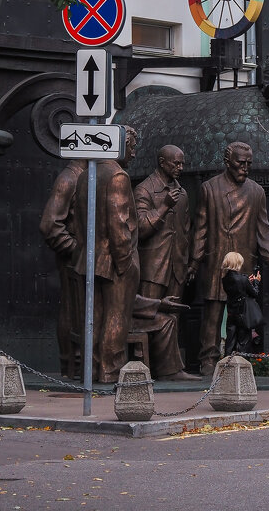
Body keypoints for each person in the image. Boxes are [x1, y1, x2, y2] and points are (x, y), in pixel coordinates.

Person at [192, 141, 269, 375]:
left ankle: (239, 355)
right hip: (218, 262)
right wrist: (194, 262)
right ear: (227, 162)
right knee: (213, 313)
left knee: (242, 313)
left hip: (244, 263)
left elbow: (264, 230)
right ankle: (208, 359)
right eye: (240, 163)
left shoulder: (257, 192)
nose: (245, 168)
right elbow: (200, 230)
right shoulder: (210, 188)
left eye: (249, 164)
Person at [71, 127, 140, 383]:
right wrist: (126, 263)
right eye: (131, 147)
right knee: (116, 316)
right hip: (113, 261)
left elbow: (78, 222)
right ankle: (110, 371)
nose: (133, 153)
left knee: (93, 318)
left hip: (87, 258)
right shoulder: (118, 176)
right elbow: (119, 225)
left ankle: (91, 370)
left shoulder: (84, 175)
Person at [39, 160, 85, 375]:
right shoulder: (69, 178)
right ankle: (71, 364)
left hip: (85, 259)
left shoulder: (84, 175)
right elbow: (50, 225)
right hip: (74, 260)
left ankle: (78, 365)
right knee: (71, 307)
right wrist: (76, 250)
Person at [134, 145, 191, 300]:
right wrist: (165, 206)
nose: (181, 168)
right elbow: (141, 229)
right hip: (153, 270)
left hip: (178, 270)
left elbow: (186, 231)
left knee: (174, 319)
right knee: (149, 317)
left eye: (182, 164)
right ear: (162, 162)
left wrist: (187, 262)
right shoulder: (144, 190)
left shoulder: (182, 194)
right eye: (176, 163)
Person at [221, 252, 264, 357]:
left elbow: (237, 289)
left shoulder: (225, 279)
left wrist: (247, 283)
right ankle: (241, 366)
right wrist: (256, 282)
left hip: (231, 313)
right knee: (243, 341)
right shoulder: (243, 279)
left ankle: (227, 364)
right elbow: (254, 293)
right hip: (243, 314)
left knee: (230, 340)